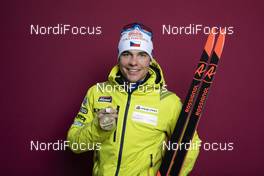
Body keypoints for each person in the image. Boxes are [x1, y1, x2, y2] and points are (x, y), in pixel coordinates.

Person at [67, 23, 201, 176]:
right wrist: (97, 128)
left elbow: (190, 145)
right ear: (118, 57)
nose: (133, 62)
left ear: (150, 59)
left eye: (142, 55)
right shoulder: (96, 92)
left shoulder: (168, 102)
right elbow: (74, 144)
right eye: (126, 54)